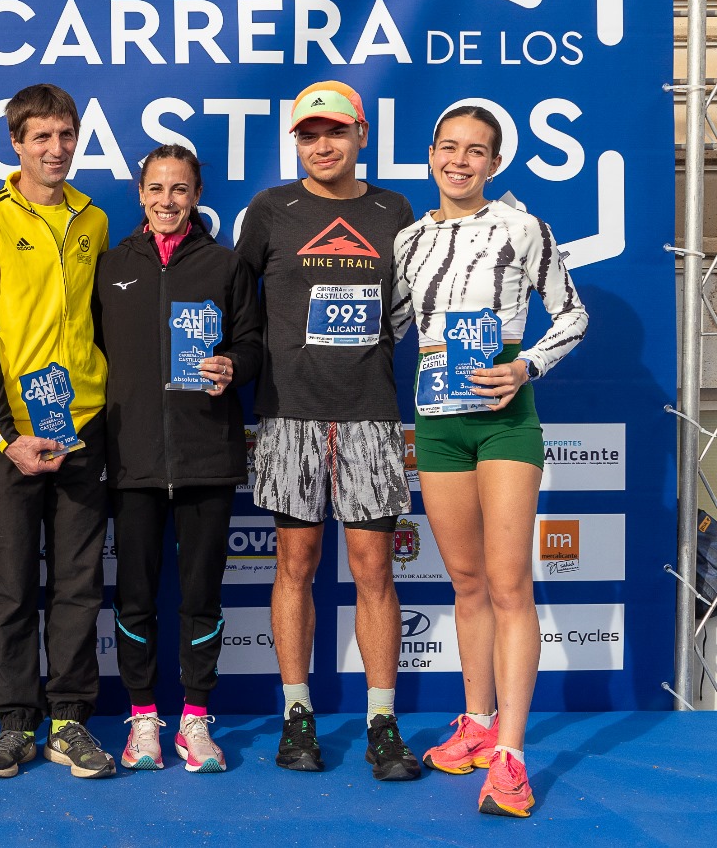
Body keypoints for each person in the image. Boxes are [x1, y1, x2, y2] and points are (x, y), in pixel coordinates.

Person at [391, 105, 587, 818]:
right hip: (438, 424)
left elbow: (573, 314)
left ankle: (510, 756)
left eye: (476, 151)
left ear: (494, 164)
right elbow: (387, 327)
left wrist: (526, 365)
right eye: (449, 147)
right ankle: (476, 723)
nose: (460, 161)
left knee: (508, 586)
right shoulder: (409, 239)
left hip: (505, 422)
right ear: (431, 155)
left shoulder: (521, 227)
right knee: (467, 582)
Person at [235, 80, 421, 781]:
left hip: (370, 412)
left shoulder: (392, 210)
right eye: (309, 135)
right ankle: (296, 714)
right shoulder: (270, 209)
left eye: (335, 132)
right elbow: (235, 301)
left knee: (375, 569)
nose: (322, 146)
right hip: (289, 413)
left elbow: (408, 305)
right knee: (296, 563)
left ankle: (382, 721)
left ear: (360, 135)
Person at [0, 83, 115, 780]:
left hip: (83, 426)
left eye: (65, 135)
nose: (56, 149)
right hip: (10, 439)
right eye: (41, 137)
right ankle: (17, 724)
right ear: (16, 143)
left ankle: (70, 722)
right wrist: (5, 435)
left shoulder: (94, 219)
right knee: (13, 587)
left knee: (79, 584)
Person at [95, 145, 262, 773]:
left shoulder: (226, 265)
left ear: (196, 197)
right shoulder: (112, 266)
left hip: (206, 457)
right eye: (157, 189)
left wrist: (234, 364)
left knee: (201, 595)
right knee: (135, 596)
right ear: (141, 194)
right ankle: (143, 718)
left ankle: (195, 718)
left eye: (180, 189)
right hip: (132, 459)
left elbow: (253, 344)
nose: (168, 201)